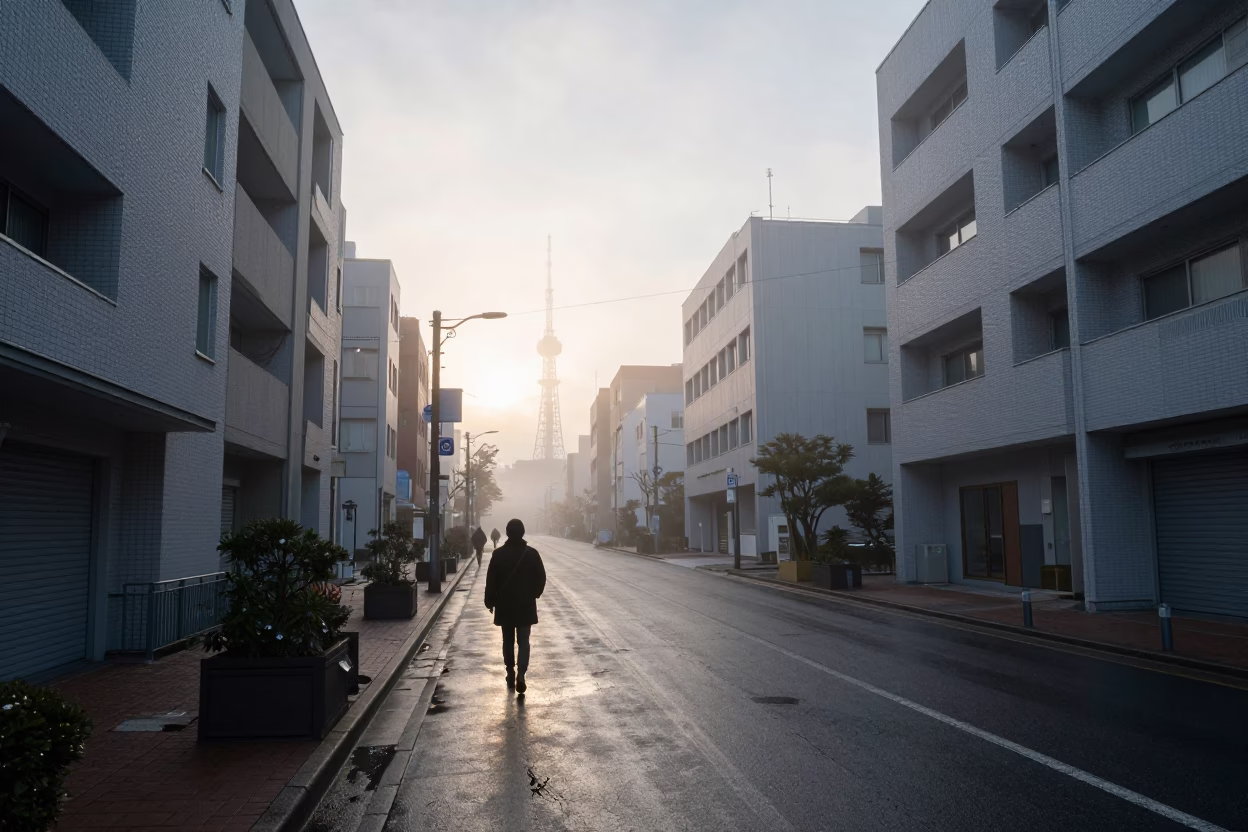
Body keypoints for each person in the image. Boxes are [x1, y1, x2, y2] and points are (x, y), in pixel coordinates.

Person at [483, 519, 546, 694]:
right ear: (523, 532)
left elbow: (491, 580)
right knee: (524, 640)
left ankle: (509, 671)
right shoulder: (531, 554)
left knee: (508, 640)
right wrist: (534, 594)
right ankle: (521, 675)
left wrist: (490, 601)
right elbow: (541, 578)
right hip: (525, 604)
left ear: (507, 533)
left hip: (505, 604)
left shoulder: (498, 554)